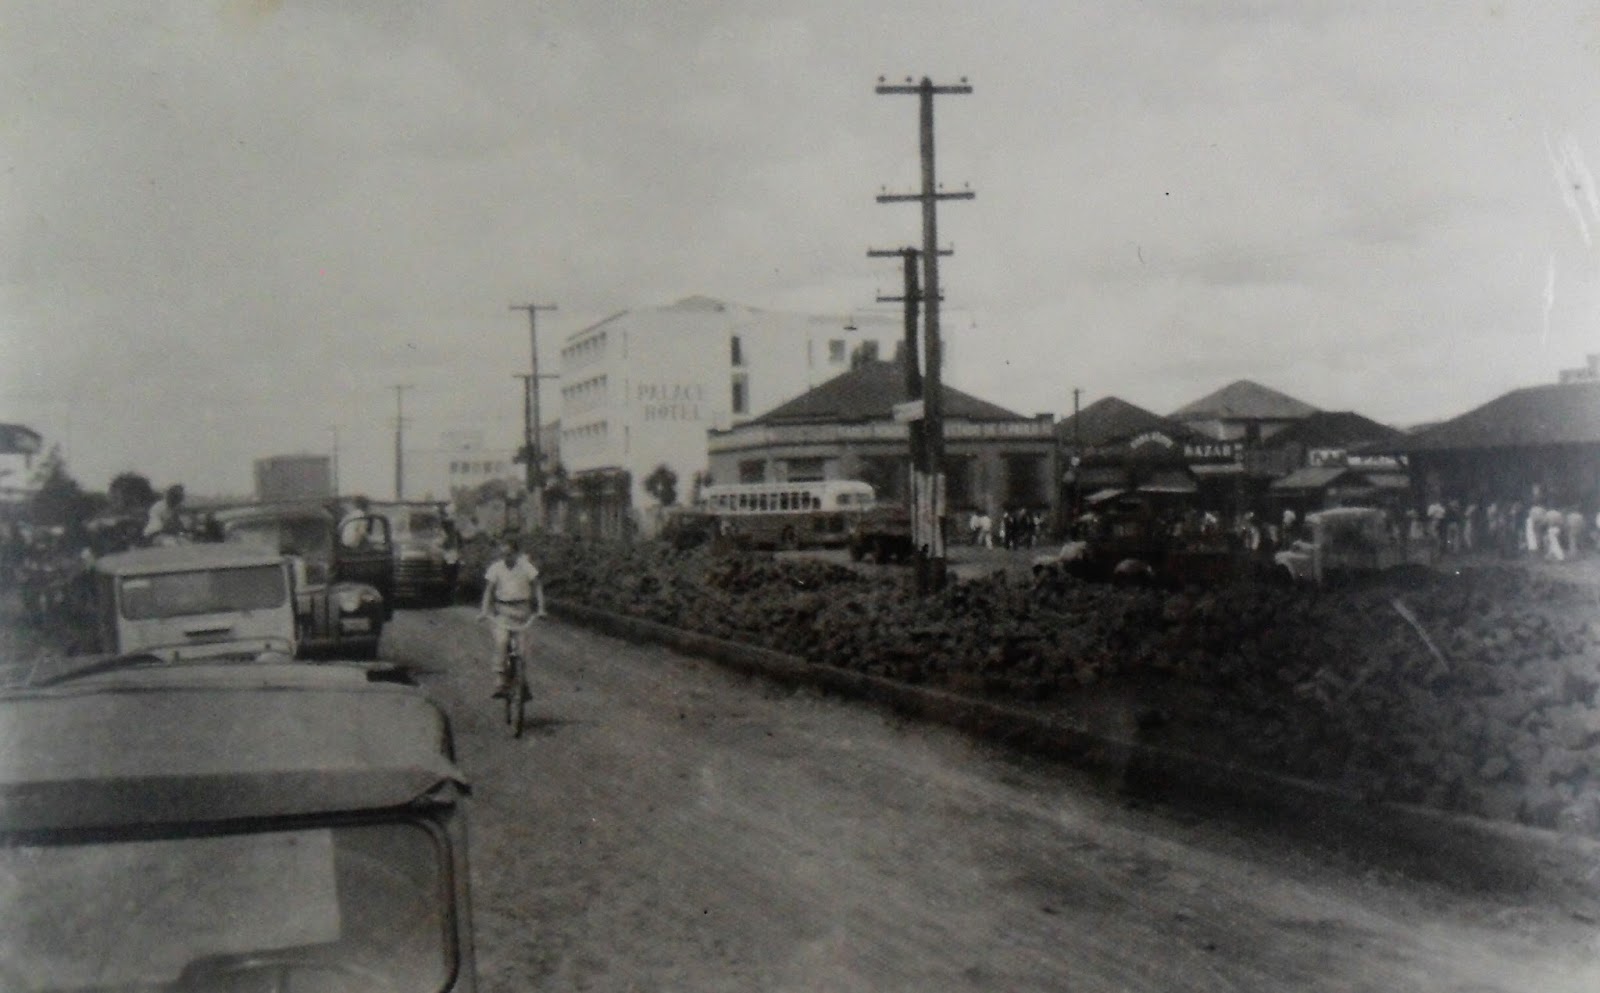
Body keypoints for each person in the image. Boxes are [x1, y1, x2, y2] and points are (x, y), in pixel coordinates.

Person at [477, 537, 546, 698]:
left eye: (510, 554)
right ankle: (500, 680)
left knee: (522, 650)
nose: (507, 558)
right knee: (501, 642)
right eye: (504, 554)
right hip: (503, 611)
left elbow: (537, 586)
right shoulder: (496, 568)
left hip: (522, 611)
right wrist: (484, 611)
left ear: (516, 553)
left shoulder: (526, 567)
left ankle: (523, 683)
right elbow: (489, 590)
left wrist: (541, 608)